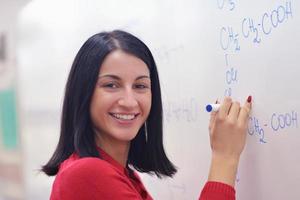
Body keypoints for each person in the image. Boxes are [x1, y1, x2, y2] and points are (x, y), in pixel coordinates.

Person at [42, 30, 252, 200]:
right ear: (83, 92)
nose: (129, 101)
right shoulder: (87, 174)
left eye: (140, 85)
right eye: (111, 85)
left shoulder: (122, 173)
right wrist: (225, 157)